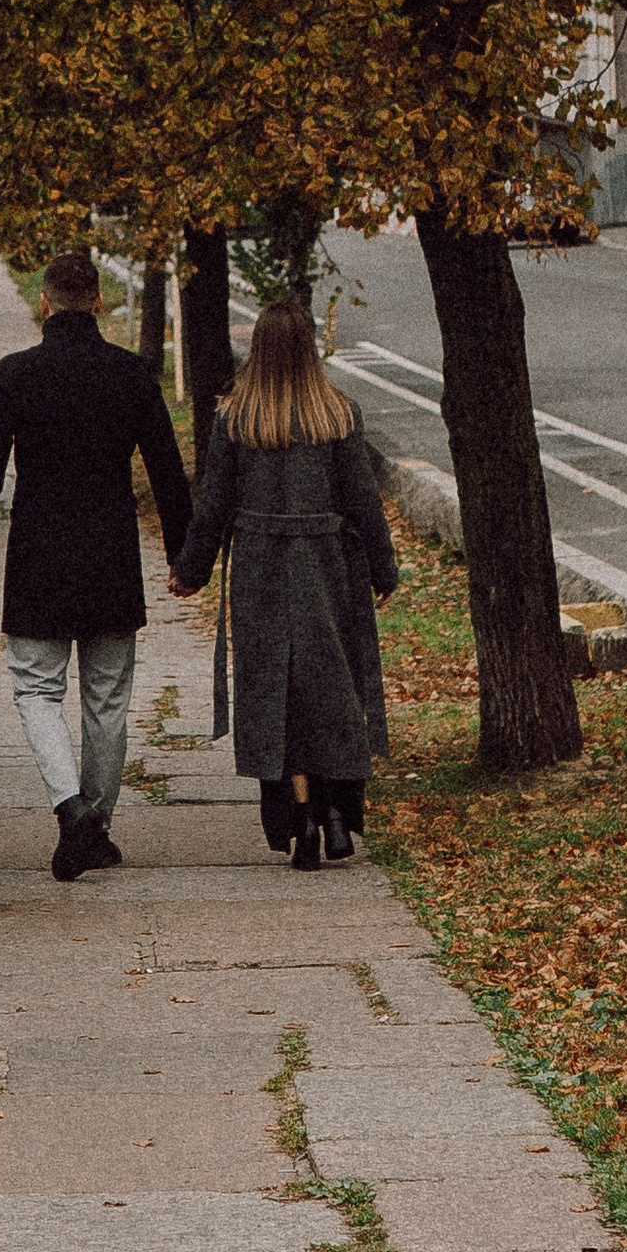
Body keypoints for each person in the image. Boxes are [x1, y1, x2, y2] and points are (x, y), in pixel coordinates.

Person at [0, 247, 194, 880]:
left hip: (38, 552)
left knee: (36, 688)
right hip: (111, 551)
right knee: (108, 698)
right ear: (97, 301)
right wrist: (185, 557)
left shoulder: (14, 374)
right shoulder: (133, 375)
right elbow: (167, 470)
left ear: (43, 302)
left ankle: (71, 811)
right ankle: (96, 821)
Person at [169, 298, 398, 871]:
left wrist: (191, 570)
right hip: (328, 568)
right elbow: (363, 501)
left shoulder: (236, 418)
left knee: (276, 693)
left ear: (259, 348)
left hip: (260, 569)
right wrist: (382, 567)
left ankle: (298, 817)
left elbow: (214, 504)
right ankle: (336, 809)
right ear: (309, 347)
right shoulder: (337, 414)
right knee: (329, 688)